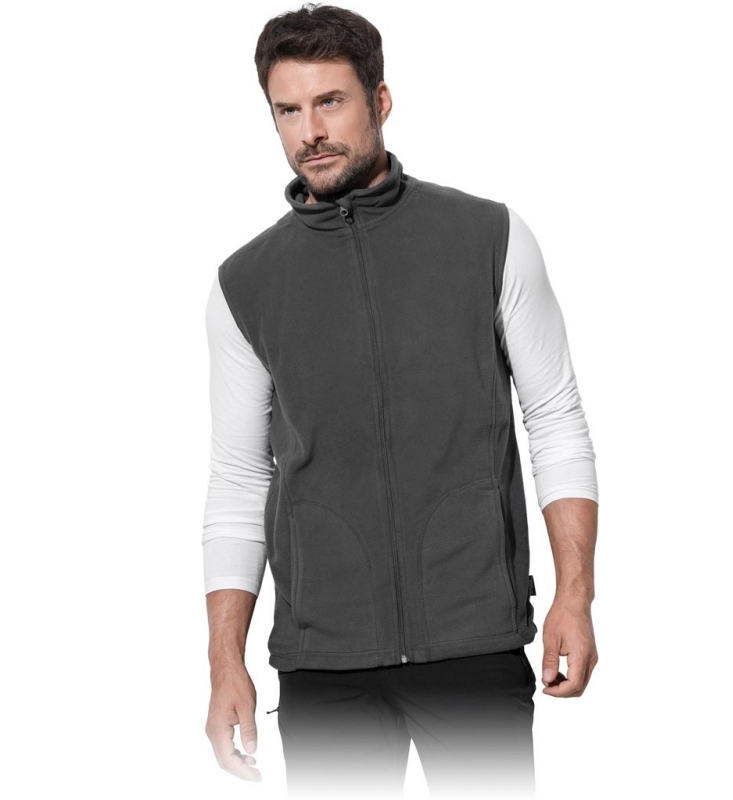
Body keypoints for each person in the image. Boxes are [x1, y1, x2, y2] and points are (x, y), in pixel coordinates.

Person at [202, 4, 599, 797]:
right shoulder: (245, 284)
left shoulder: (488, 238)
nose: (311, 130)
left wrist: (575, 597)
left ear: (380, 101)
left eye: (331, 101)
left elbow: (555, 420)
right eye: (289, 110)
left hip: (473, 640)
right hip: (323, 661)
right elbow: (241, 479)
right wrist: (225, 664)